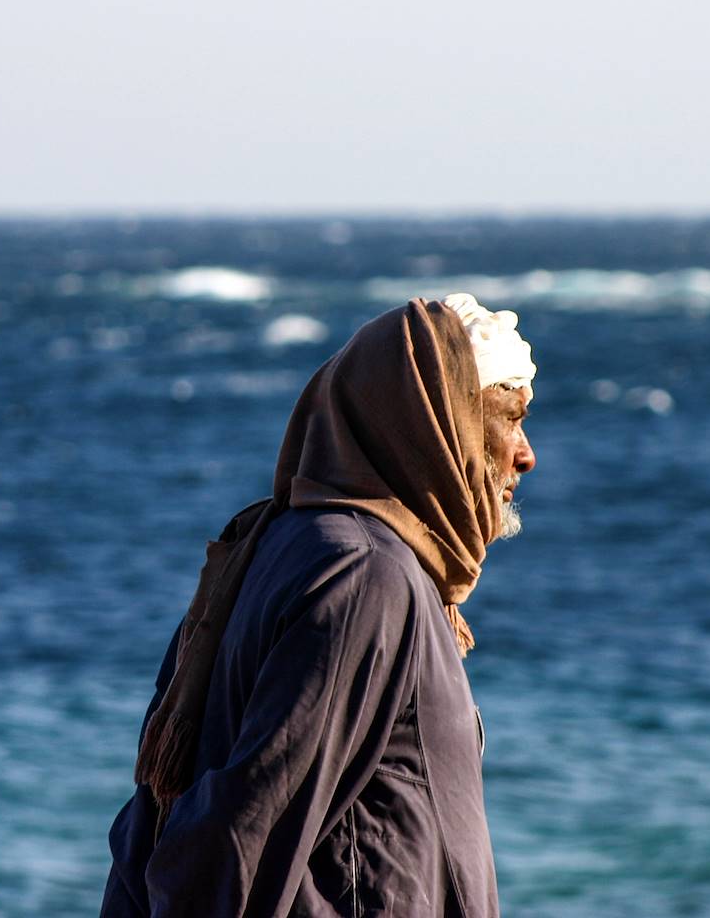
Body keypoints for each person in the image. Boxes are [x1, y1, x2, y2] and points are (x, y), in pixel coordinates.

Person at [100, 294, 538, 918]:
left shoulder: (284, 543)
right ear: (435, 424)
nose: (525, 453)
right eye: (506, 419)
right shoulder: (366, 575)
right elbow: (246, 823)